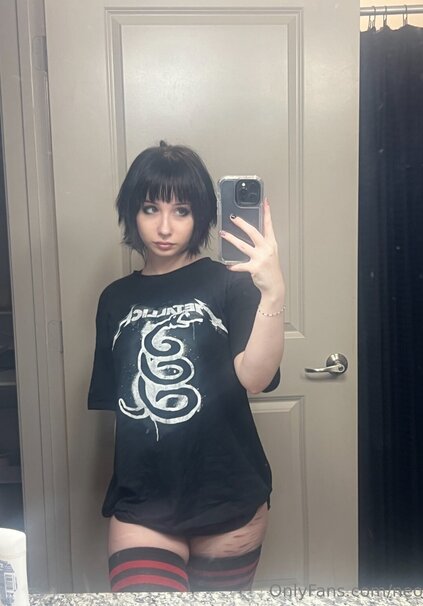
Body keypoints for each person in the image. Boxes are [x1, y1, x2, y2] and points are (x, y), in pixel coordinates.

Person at [87, 141, 285, 593]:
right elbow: (121, 406)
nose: (164, 226)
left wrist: (273, 292)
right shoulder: (114, 299)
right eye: (150, 208)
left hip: (228, 496)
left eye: (181, 210)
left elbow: (255, 379)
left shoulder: (231, 283)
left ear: (201, 216)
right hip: (143, 501)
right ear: (132, 212)